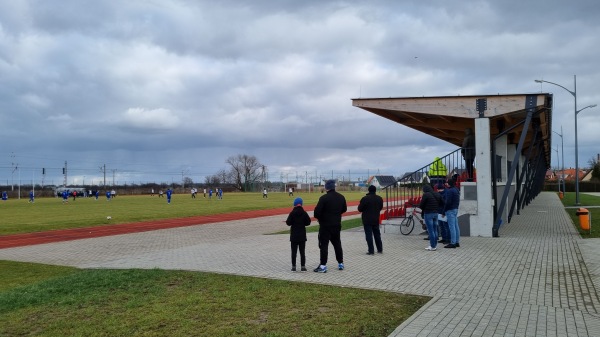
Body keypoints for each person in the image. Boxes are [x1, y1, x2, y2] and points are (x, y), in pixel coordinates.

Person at [313, 179, 347, 273]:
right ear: (334, 187)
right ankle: (340, 263)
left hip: (325, 225)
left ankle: (323, 265)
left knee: (324, 245)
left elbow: (316, 213)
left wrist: (322, 217)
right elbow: (344, 209)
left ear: (326, 187)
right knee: (337, 244)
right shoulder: (341, 197)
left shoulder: (324, 198)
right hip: (336, 224)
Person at [286, 197, 311, 272]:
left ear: (294, 204)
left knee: (294, 252)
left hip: (294, 235)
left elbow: (288, 222)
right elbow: (308, 222)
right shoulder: (304, 213)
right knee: (302, 252)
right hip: (302, 235)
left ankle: (293, 266)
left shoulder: (292, 213)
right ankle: (303, 266)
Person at [358, 185, 384, 255]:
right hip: (376, 219)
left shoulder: (365, 198)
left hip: (367, 219)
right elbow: (380, 207)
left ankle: (371, 250)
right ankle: (380, 249)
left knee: (369, 235)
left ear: (368, 190)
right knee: (377, 235)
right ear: (375, 190)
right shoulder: (379, 198)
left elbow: (360, 209)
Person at [419, 184, 444, 251]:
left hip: (428, 213)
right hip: (436, 213)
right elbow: (442, 203)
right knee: (435, 229)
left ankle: (432, 246)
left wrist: (426, 208)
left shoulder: (426, 195)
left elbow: (421, 205)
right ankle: (434, 245)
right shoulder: (437, 194)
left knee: (431, 231)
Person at [443, 179, 461, 248]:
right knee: (456, 226)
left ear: (449, 184)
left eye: (447, 183)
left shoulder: (449, 191)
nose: (446, 184)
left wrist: (444, 210)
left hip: (450, 210)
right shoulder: (456, 189)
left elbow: (448, 202)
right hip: (455, 209)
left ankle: (453, 243)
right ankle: (457, 242)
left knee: (451, 226)